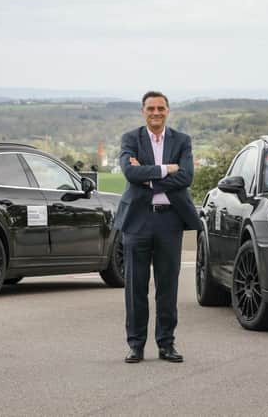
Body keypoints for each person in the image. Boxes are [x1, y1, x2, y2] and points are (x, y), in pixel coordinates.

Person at [114, 91, 201, 364]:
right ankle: (136, 345)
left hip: (169, 221)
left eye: (160, 108)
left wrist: (148, 176)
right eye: (150, 108)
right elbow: (130, 173)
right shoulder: (130, 139)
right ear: (142, 111)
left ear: (168, 111)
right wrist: (166, 170)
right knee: (135, 287)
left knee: (167, 288)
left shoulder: (182, 141)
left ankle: (166, 344)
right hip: (137, 222)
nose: (156, 112)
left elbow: (186, 177)